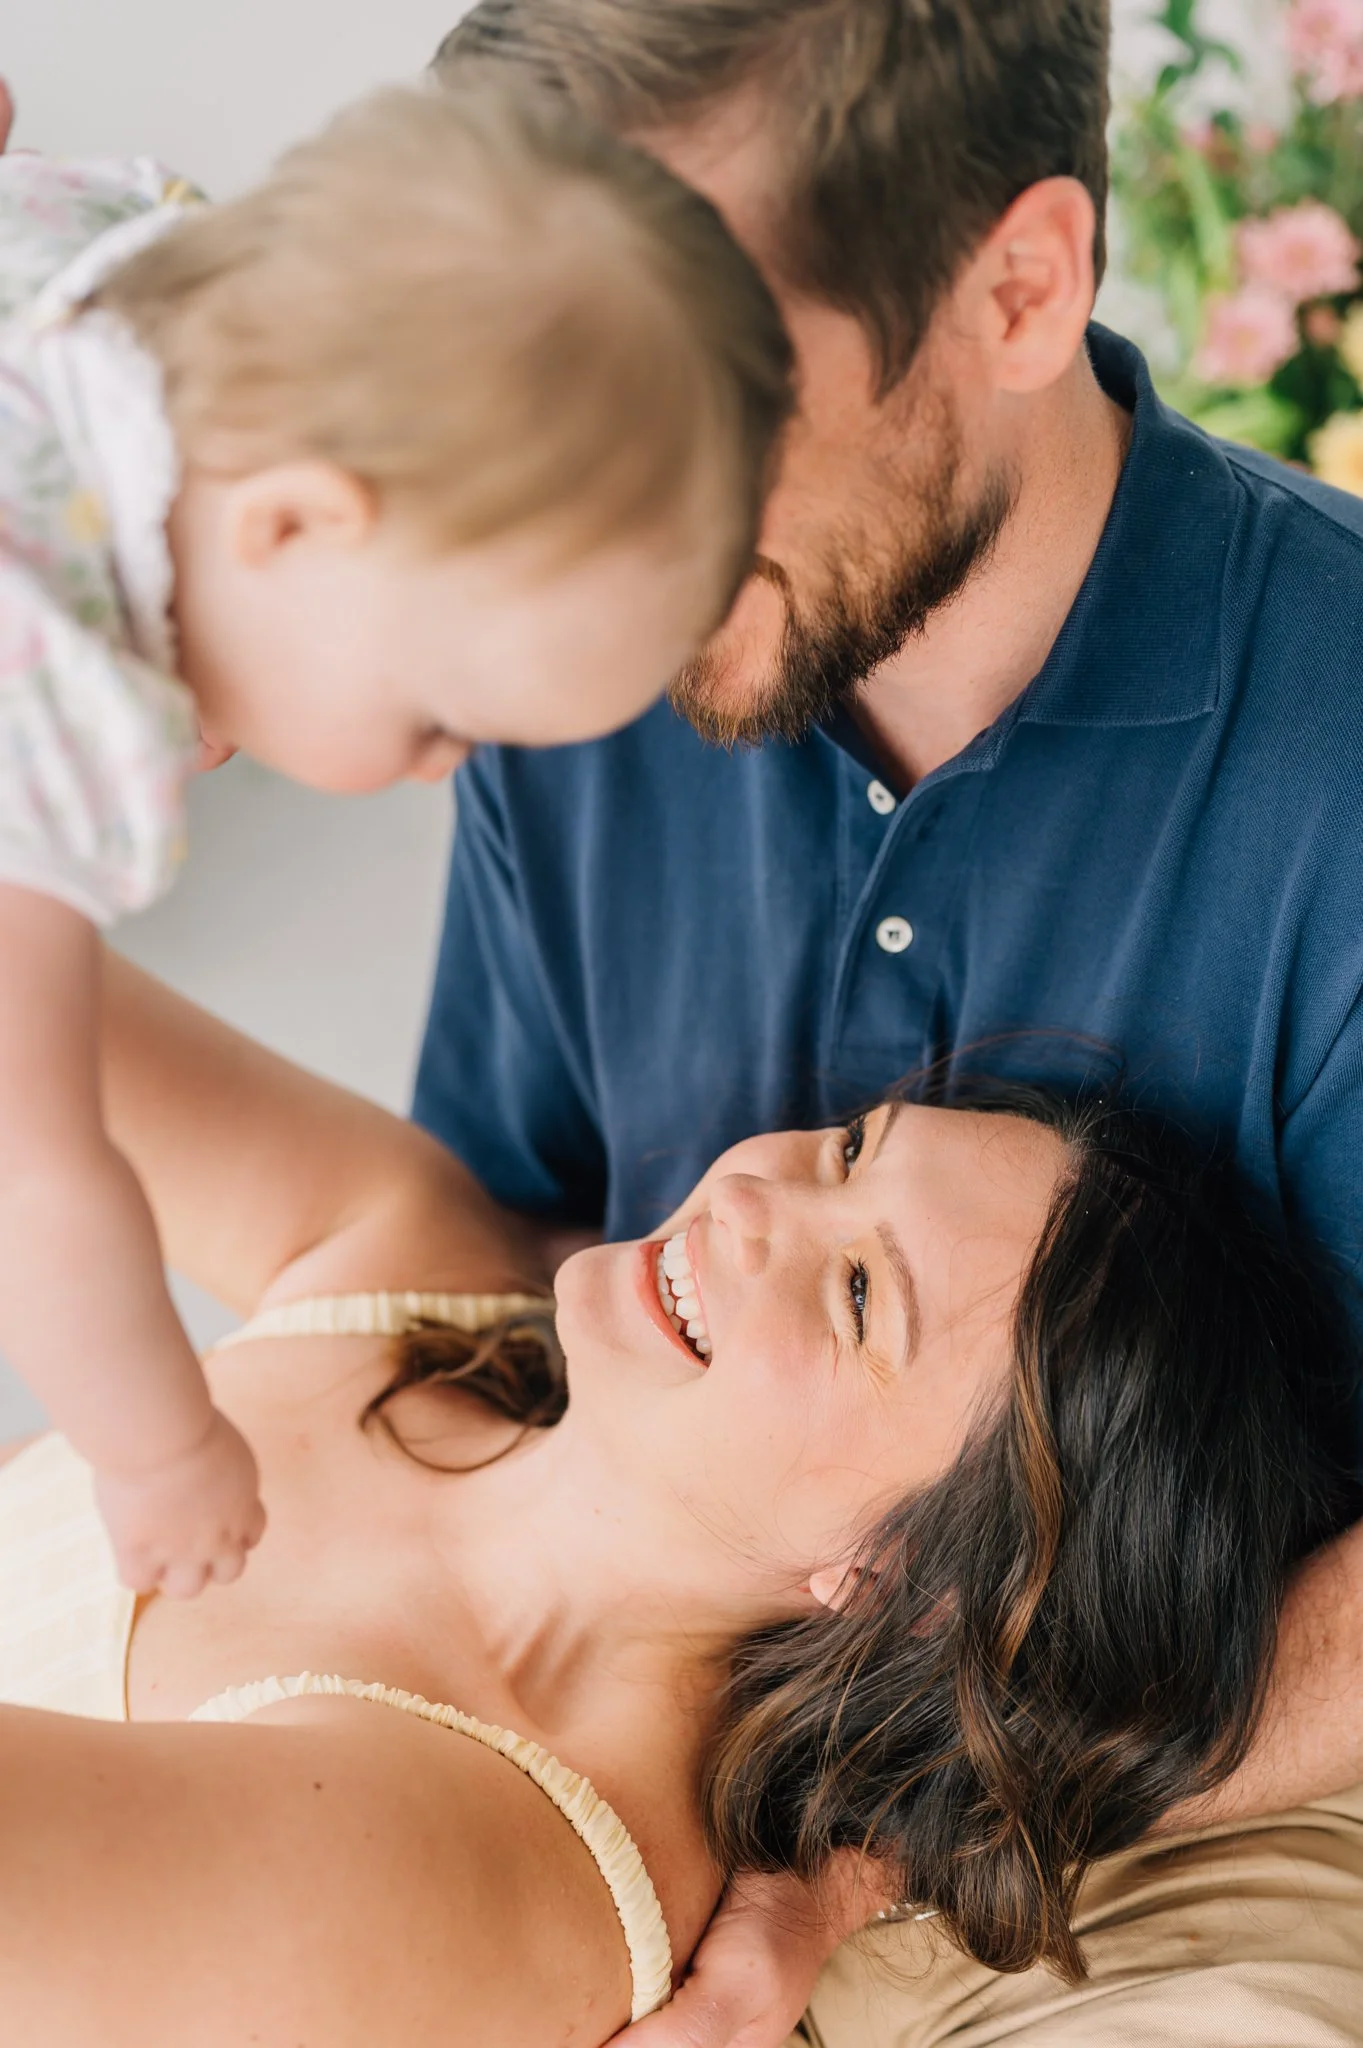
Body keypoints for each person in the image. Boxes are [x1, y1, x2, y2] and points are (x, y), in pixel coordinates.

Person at [417, 3, 1363, 2041]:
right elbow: (491, 1242)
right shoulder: (595, 663)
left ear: (1018, 288)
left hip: (1191, 1829)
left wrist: (852, 1864)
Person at [0, 949, 1346, 2044]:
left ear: (899, 1580)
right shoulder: (410, 1265)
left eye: (859, 1295)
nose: (757, 1195)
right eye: (850, 1150)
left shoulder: (504, 1868)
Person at [0, 79, 791, 1600]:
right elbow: (36, 1175)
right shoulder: (47, 708)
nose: (447, 775)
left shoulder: (116, 239)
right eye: (438, 721)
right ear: (289, 527)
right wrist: (158, 1450)